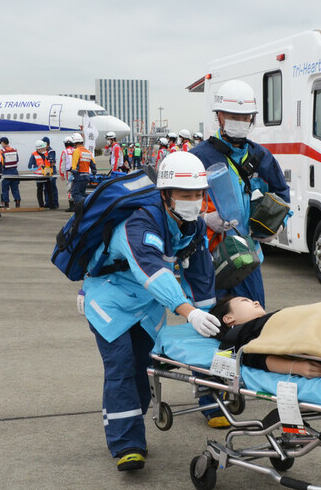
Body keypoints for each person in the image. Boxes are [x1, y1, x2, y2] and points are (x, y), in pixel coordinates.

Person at [81, 151, 221, 470]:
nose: (195, 201)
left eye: (199, 194)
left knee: (144, 367)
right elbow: (152, 272)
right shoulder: (139, 222)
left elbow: (200, 273)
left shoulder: (192, 227)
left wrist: (210, 315)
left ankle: (132, 421)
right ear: (166, 195)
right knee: (120, 366)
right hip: (110, 299)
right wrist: (189, 312)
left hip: (146, 305)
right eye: (186, 195)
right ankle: (127, 444)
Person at [190, 79, 290, 306]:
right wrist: (203, 219)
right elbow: (175, 204)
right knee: (211, 323)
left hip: (247, 256)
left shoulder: (262, 158)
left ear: (252, 119)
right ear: (220, 117)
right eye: (233, 116)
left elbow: (282, 195)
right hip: (208, 255)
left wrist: (278, 225)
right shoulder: (198, 157)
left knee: (251, 320)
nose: (240, 122)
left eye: (245, 118)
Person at [69, 132, 95, 206]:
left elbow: (75, 164)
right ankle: (90, 201)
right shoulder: (87, 152)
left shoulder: (77, 151)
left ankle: (85, 204)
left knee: (75, 193)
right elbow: (93, 164)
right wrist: (94, 171)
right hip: (86, 176)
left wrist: (73, 170)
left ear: (74, 143)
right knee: (82, 193)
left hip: (79, 175)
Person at [0, 136, 21, 208]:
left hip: (6, 171)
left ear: (3, 143)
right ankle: (17, 201)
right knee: (15, 188)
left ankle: (6, 203)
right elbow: (17, 159)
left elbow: (1, 162)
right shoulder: (14, 150)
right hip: (15, 171)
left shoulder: (2, 151)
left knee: (5, 188)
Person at [59, 135, 75, 211]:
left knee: (69, 188)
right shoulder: (76, 150)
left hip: (69, 172)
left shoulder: (64, 152)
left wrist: (62, 174)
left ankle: (71, 205)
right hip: (77, 172)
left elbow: (62, 163)